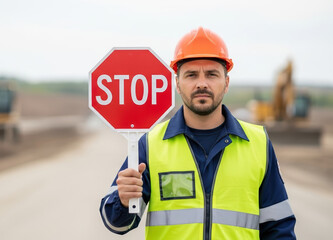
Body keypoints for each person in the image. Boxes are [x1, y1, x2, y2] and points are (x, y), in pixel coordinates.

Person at [99, 27, 296, 239]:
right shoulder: (151, 144)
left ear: (226, 83)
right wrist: (123, 201)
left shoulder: (257, 143)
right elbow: (115, 223)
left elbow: (279, 227)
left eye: (212, 74)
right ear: (177, 83)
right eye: (191, 75)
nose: (202, 83)